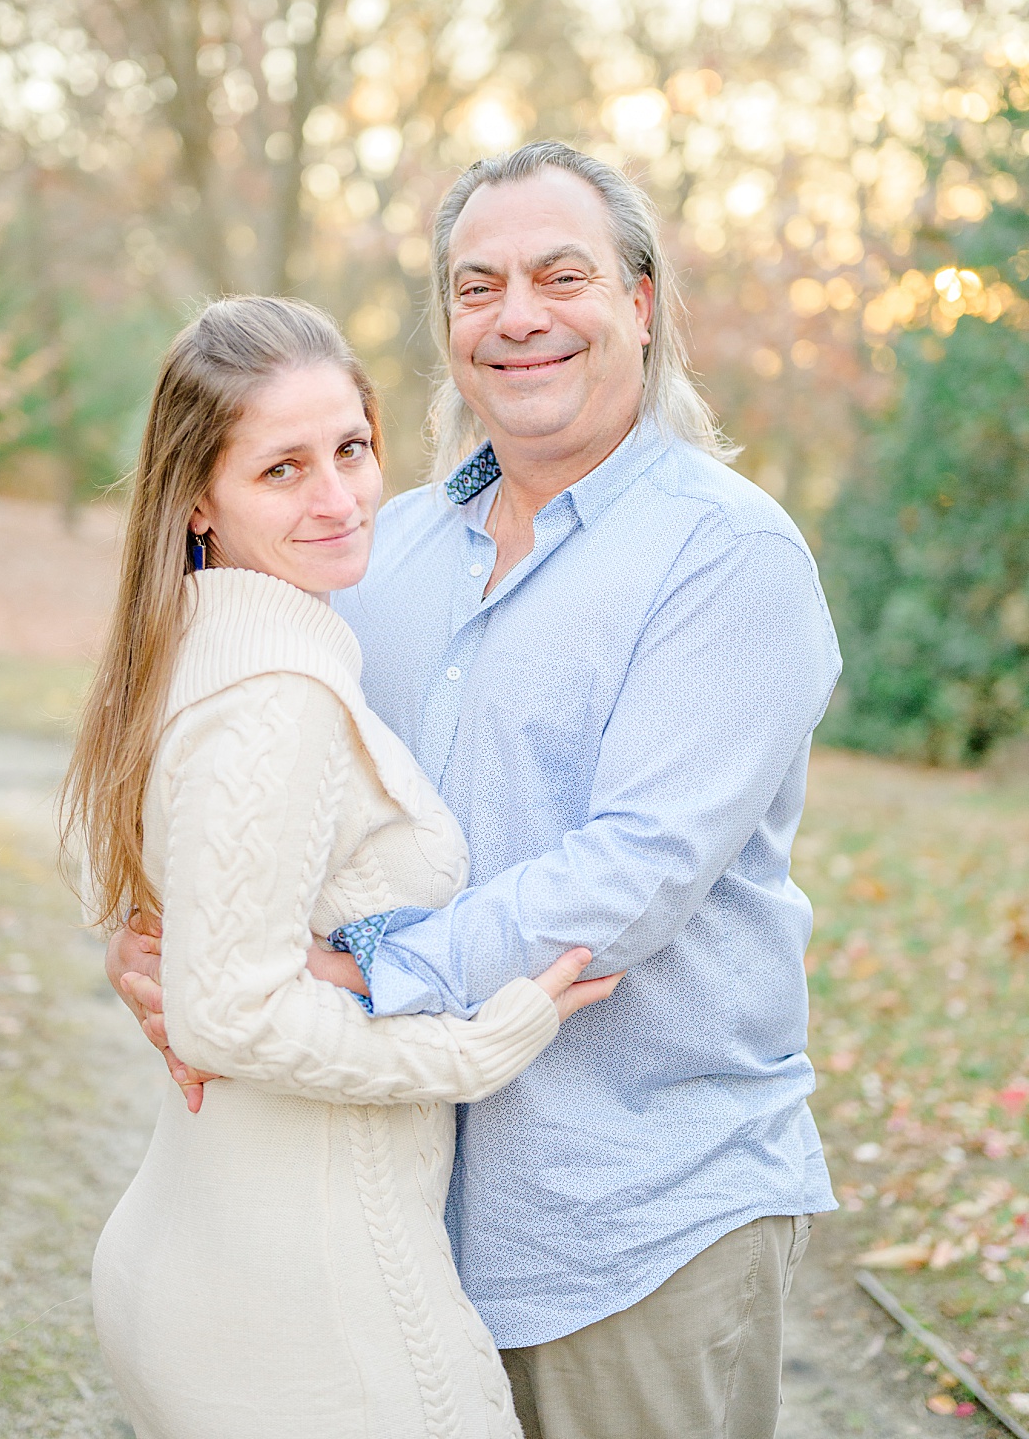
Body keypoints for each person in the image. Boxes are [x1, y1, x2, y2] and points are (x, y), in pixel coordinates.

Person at [111, 142, 843, 1439]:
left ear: (642, 301)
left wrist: (373, 966)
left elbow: (633, 873)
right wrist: (162, 944)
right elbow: (222, 764)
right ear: (447, 325)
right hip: (388, 1223)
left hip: (634, 1213)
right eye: (476, 285)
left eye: (562, 276)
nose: (517, 316)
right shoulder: (374, 550)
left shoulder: (727, 558)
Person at [69, 294, 615, 1439]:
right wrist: (471, 1047)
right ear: (198, 499)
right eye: (282, 469)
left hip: (210, 1252)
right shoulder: (279, 694)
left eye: (352, 449)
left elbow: (168, 918)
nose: (337, 496)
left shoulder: (197, 646)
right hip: (311, 1314)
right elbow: (224, 1014)